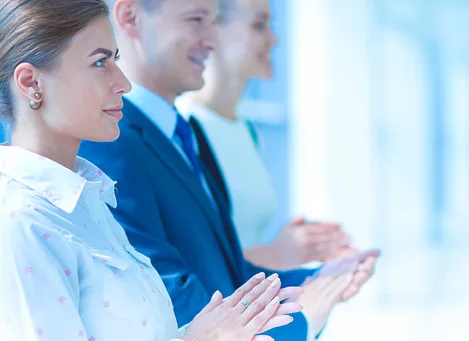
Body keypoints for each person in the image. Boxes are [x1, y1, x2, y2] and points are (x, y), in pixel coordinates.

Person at [0, 0, 304, 340]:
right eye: (100, 62)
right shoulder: (20, 223)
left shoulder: (91, 203)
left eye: (115, 59)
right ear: (31, 83)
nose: (123, 83)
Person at [78, 0, 380, 339]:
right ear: (130, 17)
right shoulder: (107, 140)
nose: (211, 38)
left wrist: (319, 281)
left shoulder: (187, 133)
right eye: (196, 20)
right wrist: (304, 318)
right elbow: (168, 300)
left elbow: (229, 273)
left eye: (214, 21)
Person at [175, 0, 355, 270]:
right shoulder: (180, 130)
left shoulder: (245, 129)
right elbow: (188, 265)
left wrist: (302, 250)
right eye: (259, 26)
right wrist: (280, 254)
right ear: (212, 31)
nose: (273, 40)